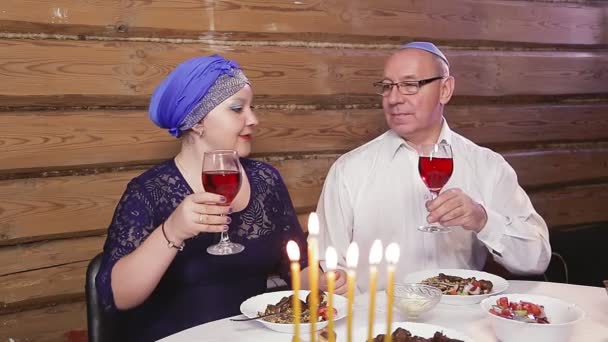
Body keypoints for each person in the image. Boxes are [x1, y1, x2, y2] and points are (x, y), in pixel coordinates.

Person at [95, 55, 308, 341]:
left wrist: (328, 283)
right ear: (196, 121)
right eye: (237, 109)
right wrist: (172, 231)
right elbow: (117, 296)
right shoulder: (150, 191)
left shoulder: (266, 180)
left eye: (251, 107)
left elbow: (297, 266)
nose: (253, 119)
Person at [315, 42, 551, 293]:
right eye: (387, 87)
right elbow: (326, 266)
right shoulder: (349, 171)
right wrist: (330, 281)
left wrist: (483, 220)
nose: (394, 99)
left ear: (445, 90)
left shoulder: (487, 166)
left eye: (410, 85)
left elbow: (536, 260)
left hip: (465, 323)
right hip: (378, 323)